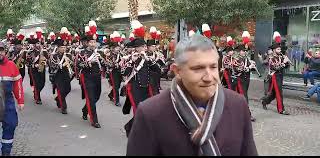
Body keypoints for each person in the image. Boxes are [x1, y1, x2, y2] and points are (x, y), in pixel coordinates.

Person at [126, 35, 258, 156]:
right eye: (198, 68)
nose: (209, 77)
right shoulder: (150, 112)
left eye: (213, 67)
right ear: (177, 71)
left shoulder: (238, 105)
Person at [0, 42, 24, 156]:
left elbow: (17, 84)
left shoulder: (11, 65)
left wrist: (20, 100)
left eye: (1, 50)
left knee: (11, 124)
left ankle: (6, 151)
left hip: (7, 100)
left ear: (5, 51)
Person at [77, 34, 103, 128]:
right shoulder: (82, 53)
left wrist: (101, 59)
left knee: (97, 96)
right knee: (91, 98)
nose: (93, 44)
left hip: (97, 77)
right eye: (91, 42)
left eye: (94, 42)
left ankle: (85, 109)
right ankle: (94, 120)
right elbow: (79, 65)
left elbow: (104, 65)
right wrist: (89, 62)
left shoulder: (98, 52)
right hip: (87, 77)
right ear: (87, 43)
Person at [261, 42, 290, 115]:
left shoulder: (281, 57)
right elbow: (276, 68)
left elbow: (286, 66)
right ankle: (281, 109)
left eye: (280, 49)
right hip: (274, 77)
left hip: (280, 76)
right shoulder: (271, 58)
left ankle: (264, 101)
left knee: (273, 94)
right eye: (278, 49)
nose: (280, 50)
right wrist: (284, 63)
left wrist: (287, 62)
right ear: (274, 50)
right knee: (279, 93)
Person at [49, 37, 73, 114]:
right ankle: (64, 107)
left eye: (64, 47)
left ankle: (57, 99)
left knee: (68, 89)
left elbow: (72, 64)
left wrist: (70, 63)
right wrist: (62, 64)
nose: (63, 49)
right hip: (58, 75)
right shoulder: (54, 56)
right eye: (62, 47)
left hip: (66, 74)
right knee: (61, 90)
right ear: (58, 48)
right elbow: (53, 66)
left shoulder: (68, 55)